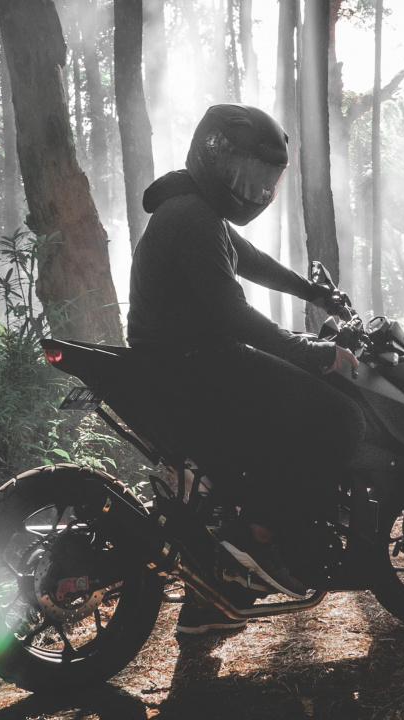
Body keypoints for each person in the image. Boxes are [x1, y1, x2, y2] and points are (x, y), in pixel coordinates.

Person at [126, 104, 367, 634]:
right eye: (247, 175)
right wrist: (312, 353)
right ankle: (261, 535)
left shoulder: (196, 211)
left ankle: (211, 600)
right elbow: (232, 314)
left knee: (259, 447)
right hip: (191, 364)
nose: (256, 190)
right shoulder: (191, 217)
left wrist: (314, 293)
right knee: (342, 419)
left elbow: (253, 261)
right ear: (214, 158)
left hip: (181, 362)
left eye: (265, 180)